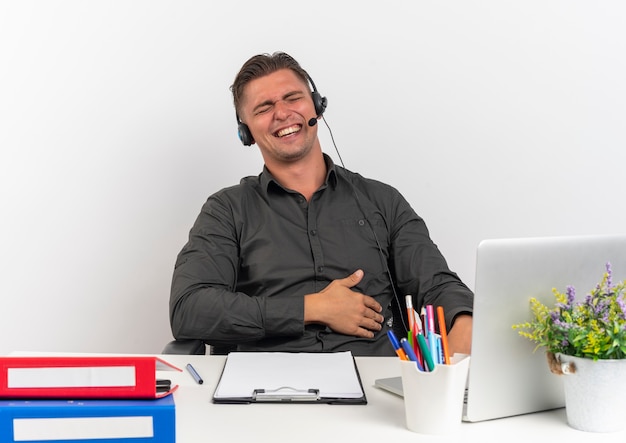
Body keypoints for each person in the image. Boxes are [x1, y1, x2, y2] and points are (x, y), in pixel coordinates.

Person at [169, 51, 473, 356]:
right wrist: (310, 308)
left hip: (376, 384)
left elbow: (435, 284)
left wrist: (463, 320)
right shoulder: (226, 211)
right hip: (266, 387)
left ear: (316, 105)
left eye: (292, 97)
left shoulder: (383, 201)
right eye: (264, 107)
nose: (283, 113)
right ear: (245, 131)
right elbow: (189, 309)